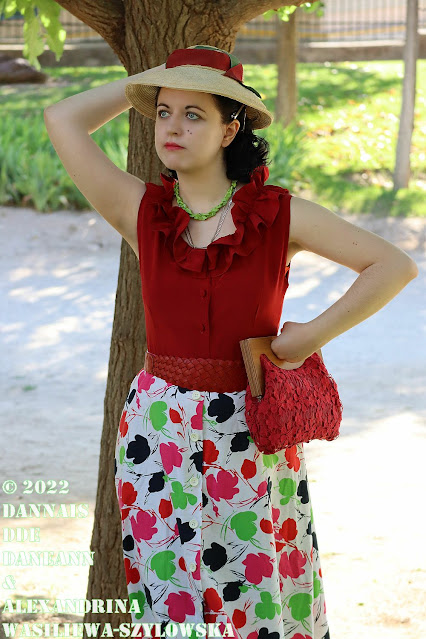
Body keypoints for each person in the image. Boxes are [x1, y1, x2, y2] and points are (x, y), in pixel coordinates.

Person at [44, 44, 418, 639]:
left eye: (194, 114)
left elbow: (393, 265)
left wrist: (309, 337)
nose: (172, 127)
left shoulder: (279, 214)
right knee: (171, 594)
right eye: (163, 112)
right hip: (158, 433)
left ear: (230, 129)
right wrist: (154, 78)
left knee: (254, 590)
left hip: (250, 431)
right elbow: (62, 118)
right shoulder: (140, 210)